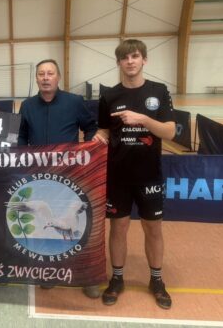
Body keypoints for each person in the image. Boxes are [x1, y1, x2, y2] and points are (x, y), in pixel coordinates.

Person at [93, 39, 175, 310]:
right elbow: (105, 130)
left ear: (144, 60)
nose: (130, 61)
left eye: (135, 56)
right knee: (118, 228)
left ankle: (156, 280)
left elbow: (169, 132)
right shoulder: (109, 96)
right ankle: (117, 279)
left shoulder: (159, 91)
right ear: (118, 62)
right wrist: (98, 136)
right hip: (117, 175)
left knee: (153, 228)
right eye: (125, 58)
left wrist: (143, 119)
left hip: (149, 175)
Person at [18, 59, 99, 298]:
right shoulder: (27, 106)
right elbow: (21, 137)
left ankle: (87, 275)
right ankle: (51, 271)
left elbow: (91, 127)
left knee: (82, 227)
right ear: (36, 78)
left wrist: (91, 146)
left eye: (50, 73)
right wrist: (23, 159)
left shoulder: (74, 102)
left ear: (58, 77)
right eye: (41, 74)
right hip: (41, 177)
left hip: (71, 176)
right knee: (49, 227)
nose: (45, 77)